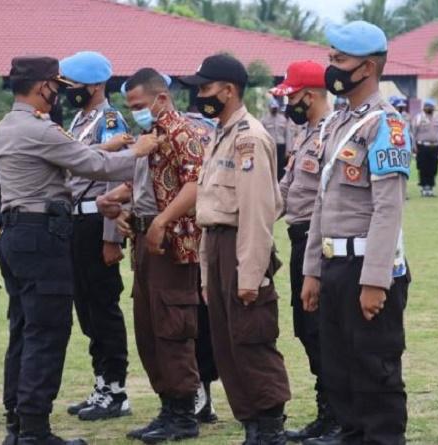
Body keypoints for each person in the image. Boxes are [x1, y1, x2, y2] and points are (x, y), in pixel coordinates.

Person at [0, 56, 158, 445]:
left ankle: (18, 424)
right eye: (55, 84)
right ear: (41, 86)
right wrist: (139, 152)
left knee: (23, 329)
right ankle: (35, 430)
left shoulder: (8, 125)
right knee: (47, 332)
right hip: (41, 236)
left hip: (17, 234)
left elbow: (63, 161)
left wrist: (108, 148)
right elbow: (91, 166)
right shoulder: (40, 128)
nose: (60, 91)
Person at [299, 20, 411, 445]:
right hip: (334, 264)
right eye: (331, 58)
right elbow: (322, 204)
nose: (332, 67)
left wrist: (375, 280)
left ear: (366, 68)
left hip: (368, 267)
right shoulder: (339, 122)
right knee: (339, 372)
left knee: (374, 373)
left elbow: (388, 209)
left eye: (340, 60)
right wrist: (313, 269)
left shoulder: (386, 124)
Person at [181, 54, 291, 444]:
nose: (200, 95)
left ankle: (270, 426)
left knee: (251, 339)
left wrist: (251, 273)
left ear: (228, 90)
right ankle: (253, 426)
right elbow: (211, 213)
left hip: (243, 246)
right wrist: (210, 274)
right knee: (227, 344)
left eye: (206, 88)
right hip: (219, 243)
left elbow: (258, 213)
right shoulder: (221, 133)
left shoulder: (249, 138)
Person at [112, 67, 210, 443]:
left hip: (173, 245)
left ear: (161, 98)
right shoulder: (149, 134)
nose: (135, 111)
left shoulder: (184, 132)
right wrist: (116, 201)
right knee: (149, 330)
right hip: (146, 243)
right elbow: (142, 181)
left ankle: (184, 412)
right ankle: (168, 407)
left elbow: (195, 183)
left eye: (139, 104)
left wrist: (162, 222)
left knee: (172, 328)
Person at [56, 51, 135, 422]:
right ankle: (101, 382)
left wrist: (111, 238)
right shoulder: (79, 119)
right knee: (86, 308)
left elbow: (117, 176)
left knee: (103, 307)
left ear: (97, 86)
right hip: (75, 222)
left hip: (95, 222)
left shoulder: (110, 120)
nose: (69, 92)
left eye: (75, 86)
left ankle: (116, 389)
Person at [269, 60, 341, 443]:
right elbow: (286, 190)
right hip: (298, 239)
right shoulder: (305, 134)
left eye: (292, 96)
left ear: (309, 96)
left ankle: (338, 416)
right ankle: (326, 411)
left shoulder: (333, 135)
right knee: (307, 329)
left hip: (320, 242)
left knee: (322, 330)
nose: (288, 104)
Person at [411, 98, 438, 197]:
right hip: (422, 146)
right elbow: (413, 133)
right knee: (423, 167)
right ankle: (424, 187)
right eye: (428, 106)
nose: (430, 108)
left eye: (431, 107)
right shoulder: (418, 118)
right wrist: (413, 146)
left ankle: (431, 187)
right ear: (424, 107)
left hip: (435, 146)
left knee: (433, 168)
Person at [262, 98, 290, 180]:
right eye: (272, 107)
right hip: (270, 146)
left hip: (281, 146)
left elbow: (287, 135)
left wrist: (288, 150)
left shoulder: (283, 120)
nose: (274, 109)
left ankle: (280, 183)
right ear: (269, 108)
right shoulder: (264, 120)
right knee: (271, 165)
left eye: (275, 107)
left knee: (281, 166)